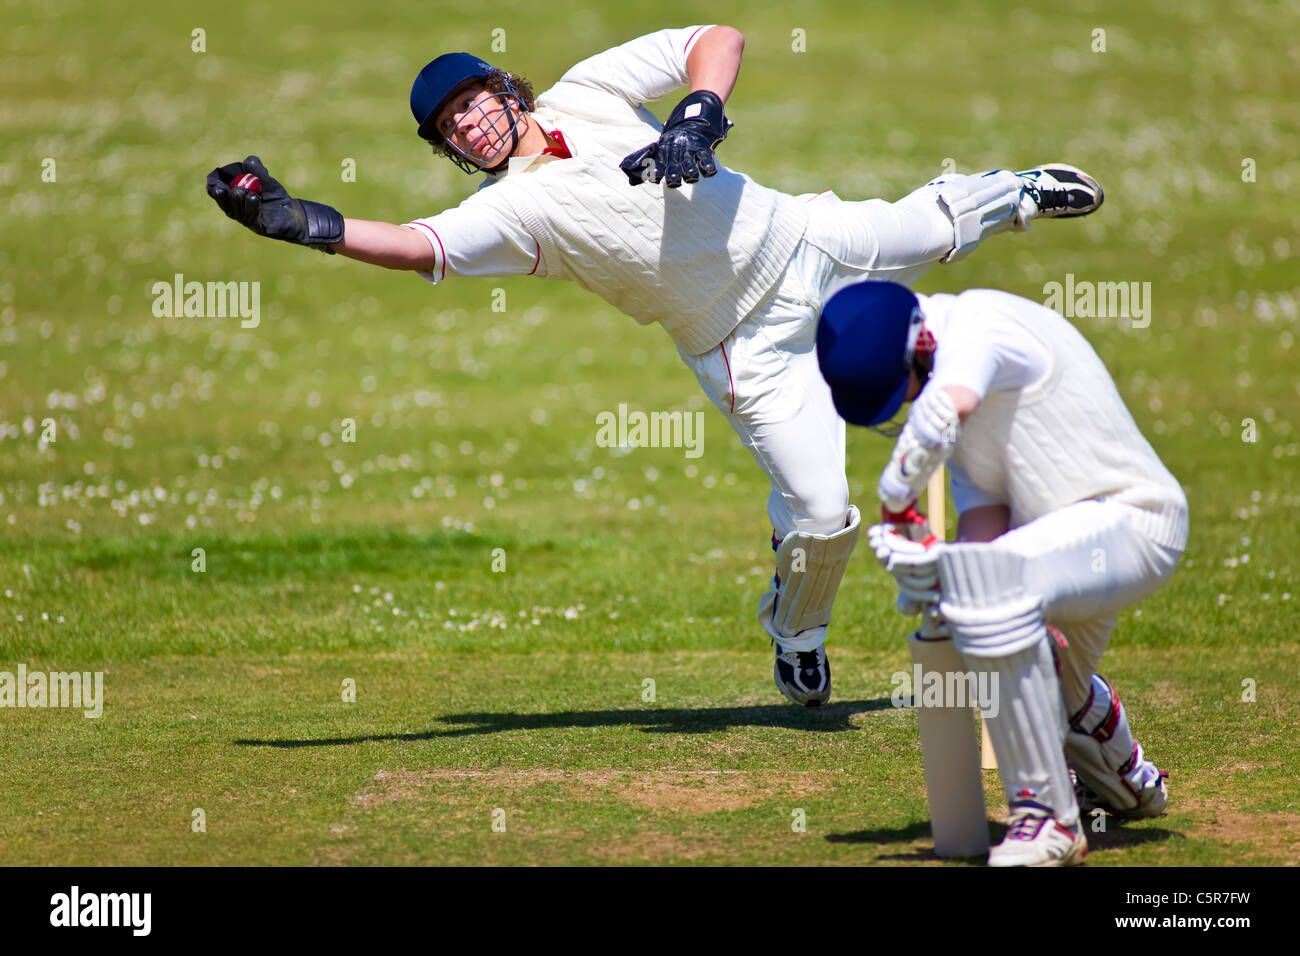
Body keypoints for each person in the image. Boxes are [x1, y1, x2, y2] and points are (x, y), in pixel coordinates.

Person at [206, 24, 1106, 708]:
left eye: (474, 101)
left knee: (924, 226)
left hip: (797, 237)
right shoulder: (507, 215)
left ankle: (1019, 193)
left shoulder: (587, 91)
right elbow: (412, 245)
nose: (471, 125)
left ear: (502, 91)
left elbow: (716, 39)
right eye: (451, 128)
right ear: (449, 148)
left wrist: (698, 113)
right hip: (742, 346)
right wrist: (305, 226)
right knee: (826, 518)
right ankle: (796, 632)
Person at [816, 280, 1187, 865]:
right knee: (982, 606)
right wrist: (938, 572)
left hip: (1134, 522)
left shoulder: (978, 325)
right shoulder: (946, 394)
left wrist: (895, 496)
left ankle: (1048, 821)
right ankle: (1109, 753)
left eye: (903, 390)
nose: (909, 404)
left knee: (990, 593)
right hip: (1061, 552)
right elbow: (985, 527)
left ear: (919, 345)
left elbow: (948, 405)